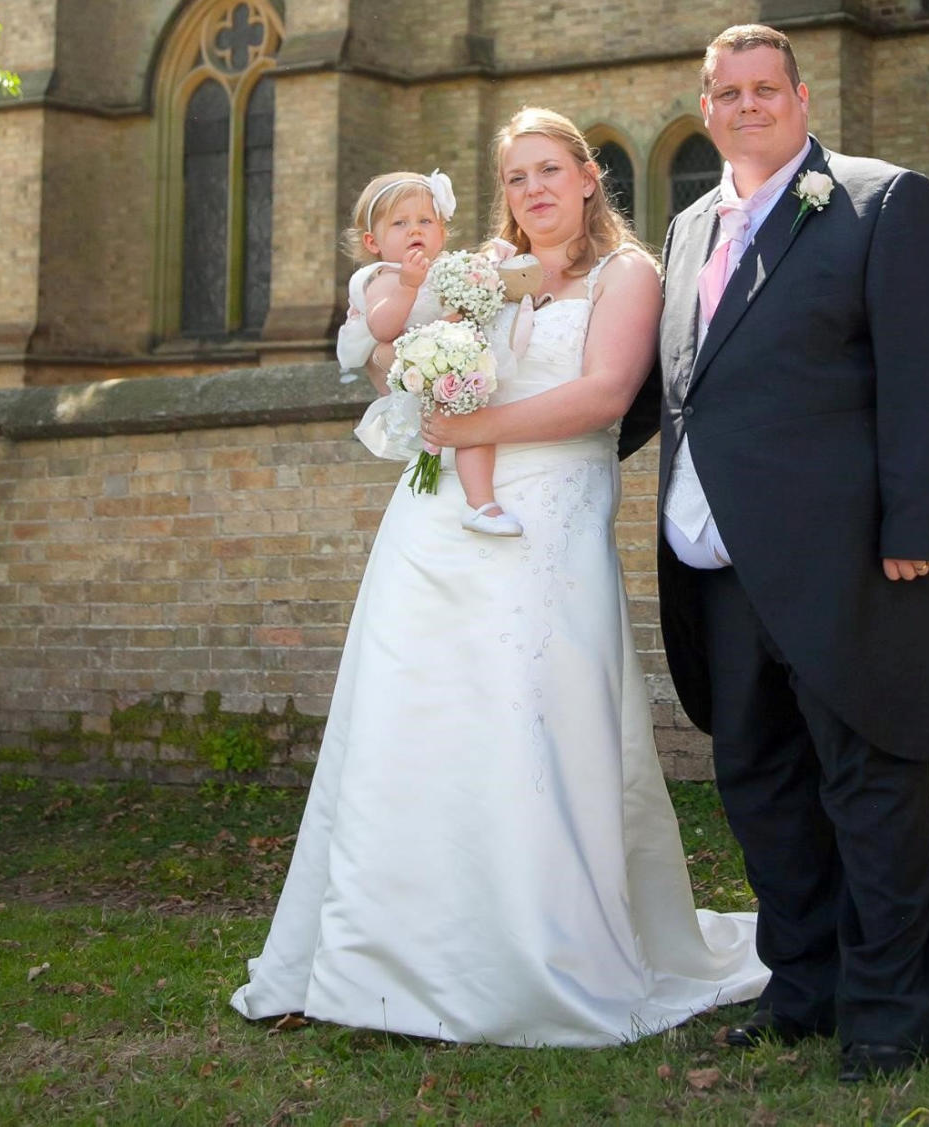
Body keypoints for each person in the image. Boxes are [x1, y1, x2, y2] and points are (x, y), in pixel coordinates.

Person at [230, 109, 766, 1046]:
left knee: (529, 719)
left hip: (547, 522)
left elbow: (603, 395)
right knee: (412, 715)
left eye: (550, 170)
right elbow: (397, 355)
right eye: (516, 177)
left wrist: (471, 427)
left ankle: (534, 951)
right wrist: (409, 359)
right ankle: (381, 956)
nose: (534, 190)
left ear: (590, 175)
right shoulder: (476, 267)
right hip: (433, 521)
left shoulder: (626, 275)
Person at [655, 24, 929, 1083]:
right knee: (761, 786)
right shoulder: (686, 230)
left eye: (766, 88)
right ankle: (804, 988)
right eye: (728, 91)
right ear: (707, 108)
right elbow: (677, 388)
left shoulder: (882, 203)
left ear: (802, 99)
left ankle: (892, 1015)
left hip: (850, 563)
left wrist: (916, 529)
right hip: (718, 563)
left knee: (870, 786)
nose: (747, 105)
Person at [335, 168, 522, 536]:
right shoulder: (382, 277)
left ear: (442, 232)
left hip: (453, 373)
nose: (414, 230)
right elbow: (383, 328)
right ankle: (474, 500)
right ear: (373, 242)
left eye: (425, 221)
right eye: (400, 223)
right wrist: (407, 285)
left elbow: (457, 315)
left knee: (475, 427)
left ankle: (480, 501)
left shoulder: (447, 271)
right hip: (418, 378)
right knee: (462, 431)